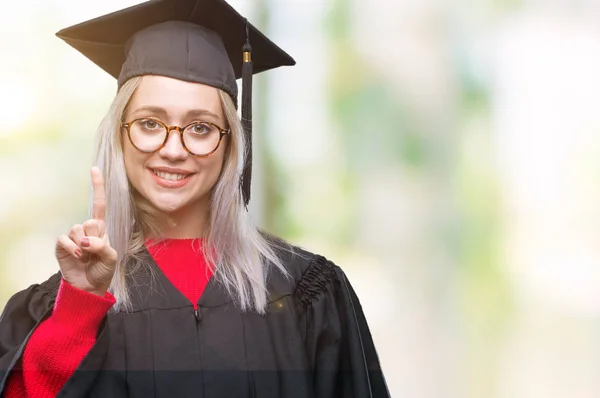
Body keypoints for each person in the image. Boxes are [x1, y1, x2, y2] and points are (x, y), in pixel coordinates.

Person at [0, 0, 389, 397]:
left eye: (200, 127)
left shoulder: (306, 292)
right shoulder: (68, 300)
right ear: (119, 134)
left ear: (230, 144)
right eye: (150, 123)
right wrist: (78, 309)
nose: (173, 148)